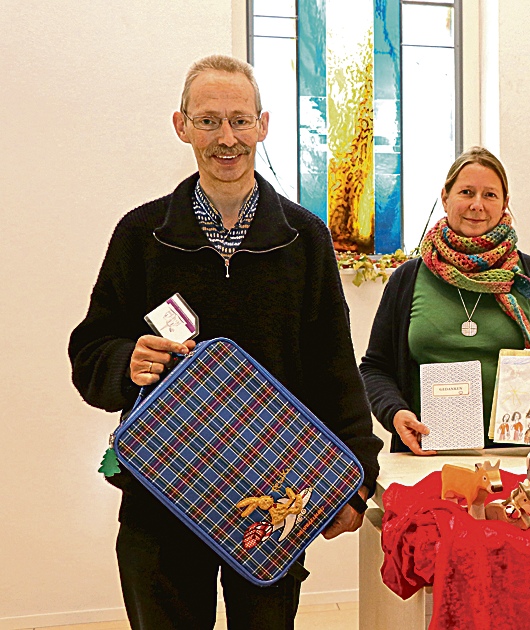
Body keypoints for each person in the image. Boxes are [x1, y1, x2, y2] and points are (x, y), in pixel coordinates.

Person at [68, 54, 382, 629]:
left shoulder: (304, 239)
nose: (226, 138)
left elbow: (334, 365)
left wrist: (356, 476)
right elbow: (90, 348)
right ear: (181, 125)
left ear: (263, 125)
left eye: (239, 120)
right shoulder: (141, 234)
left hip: (272, 499)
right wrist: (124, 359)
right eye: (209, 120)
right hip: (162, 494)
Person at [359, 146, 530, 455]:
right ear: (445, 198)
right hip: (425, 452)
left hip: (518, 454)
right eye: (467, 192)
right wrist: (394, 413)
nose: (477, 205)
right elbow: (375, 368)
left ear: (505, 204)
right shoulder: (407, 279)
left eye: (490, 195)